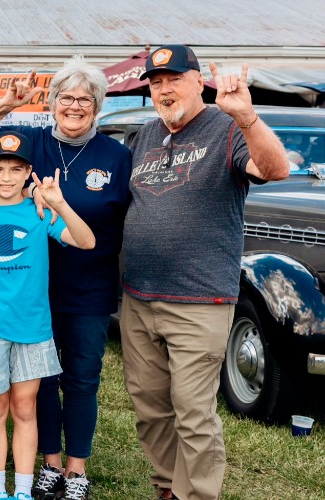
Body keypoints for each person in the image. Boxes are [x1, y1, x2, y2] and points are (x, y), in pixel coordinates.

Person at [119, 44, 288, 500]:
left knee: (193, 411)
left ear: (199, 81)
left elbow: (275, 169)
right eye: (155, 82)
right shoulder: (145, 137)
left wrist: (248, 119)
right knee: (151, 409)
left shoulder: (227, 129)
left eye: (173, 78)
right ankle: (168, 488)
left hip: (199, 300)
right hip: (139, 296)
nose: (164, 89)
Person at [0, 56, 131, 500]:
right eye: (66, 98)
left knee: (81, 378)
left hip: (87, 285)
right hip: (26, 291)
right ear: (52, 103)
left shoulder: (116, 155)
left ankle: (76, 471)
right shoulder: (31, 142)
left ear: (98, 106)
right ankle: (49, 465)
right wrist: (3, 106)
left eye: (85, 99)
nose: (75, 106)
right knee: (39, 384)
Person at [0, 131, 96, 500]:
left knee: (25, 407)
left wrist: (60, 204)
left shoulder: (40, 211)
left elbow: (86, 240)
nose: (6, 178)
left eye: (15, 169)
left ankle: (24, 490)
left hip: (32, 326)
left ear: (28, 171)